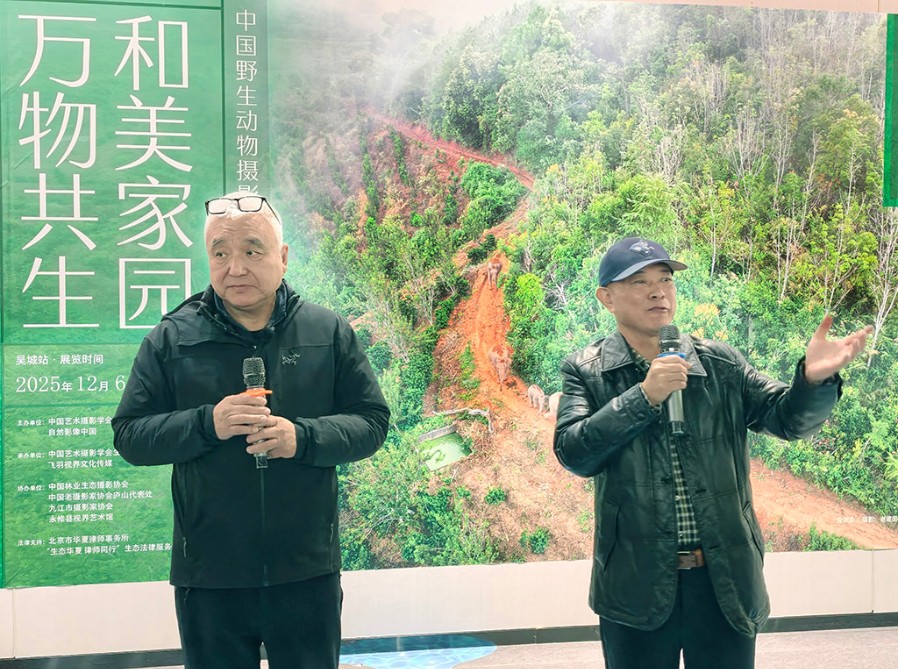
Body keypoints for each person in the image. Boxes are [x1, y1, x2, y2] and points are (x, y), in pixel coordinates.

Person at [552, 237, 871, 669]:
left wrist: (813, 383)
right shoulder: (586, 371)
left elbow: (787, 420)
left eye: (665, 280)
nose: (658, 291)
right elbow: (574, 452)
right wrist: (644, 397)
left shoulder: (721, 364)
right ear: (606, 297)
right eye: (640, 282)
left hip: (725, 582)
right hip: (636, 583)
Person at [112, 193, 390, 669]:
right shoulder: (172, 339)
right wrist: (207, 423)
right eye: (220, 253)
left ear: (283, 257)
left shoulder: (326, 332)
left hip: (305, 570)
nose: (235, 268)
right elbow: (130, 435)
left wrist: (302, 438)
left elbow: (371, 421)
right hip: (210, 577)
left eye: (252, 250)